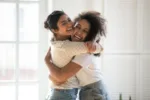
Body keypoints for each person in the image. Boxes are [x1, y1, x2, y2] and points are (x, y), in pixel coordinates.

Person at [45, 11, 110, 100]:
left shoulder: (84, 52)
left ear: (89, 35)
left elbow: (60, 77)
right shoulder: (70, 45)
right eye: (77, 27)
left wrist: (47, 61)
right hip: (86, 89)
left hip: (92, 90)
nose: (78, 32)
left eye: (85, 31)